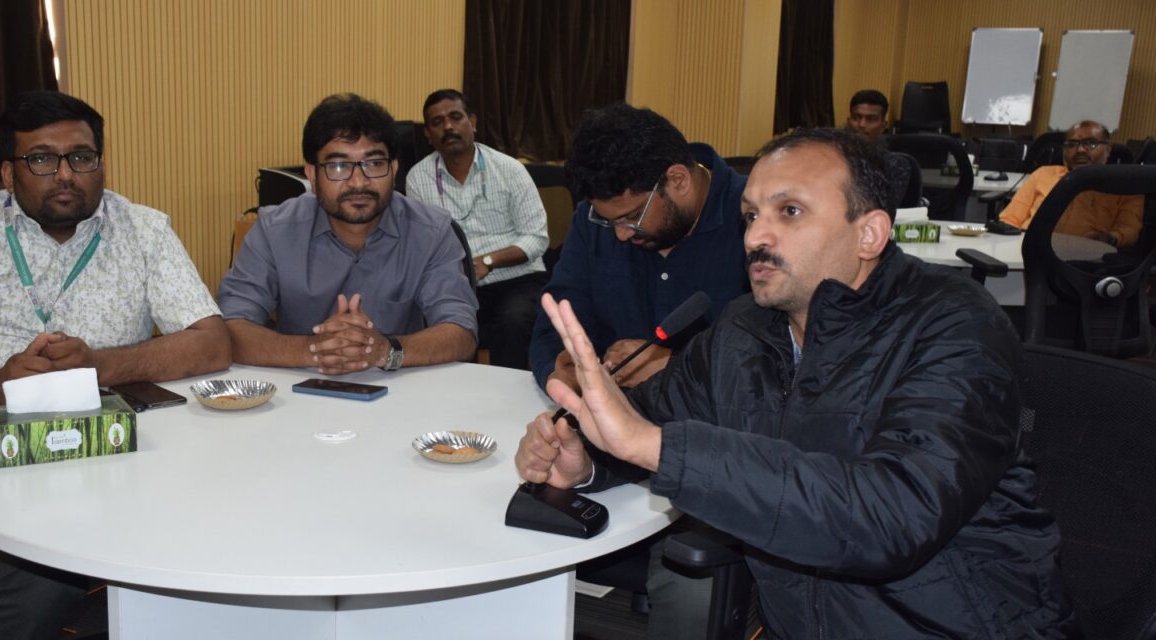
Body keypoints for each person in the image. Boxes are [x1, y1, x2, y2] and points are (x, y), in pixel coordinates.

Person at [517, 128, 1076, 638]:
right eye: (750, 215)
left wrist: (651, 445)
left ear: (869, 233)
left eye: (790, 211)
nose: (756, 236)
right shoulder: (742, 330)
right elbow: (651, 421)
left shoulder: (955, 325)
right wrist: (585, 459)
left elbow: (892, 518)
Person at [0, 90, 232, 639]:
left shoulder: (144, 231)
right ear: (8, 173)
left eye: (80, 157)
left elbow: (212, 344)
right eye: (41, 159)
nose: (65, 174)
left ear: (101, 164)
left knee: (36, 599)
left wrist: (99, 366)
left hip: (82, 450)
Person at [218, 93, 477, 374]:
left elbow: (461, 332)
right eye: (338, 166)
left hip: (400, 384)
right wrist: (316, 350)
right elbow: (230, 327)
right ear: (312, 175)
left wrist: (384, 350)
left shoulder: (431, 231)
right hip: (298, 386)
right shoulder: (274, 230)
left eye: (374, 164)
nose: (358, 182)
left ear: (393, 169)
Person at [528, 102, 748, 393]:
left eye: (632, 217)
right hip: (609, 409)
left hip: (720, 415)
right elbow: (557, 317)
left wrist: (679, 368)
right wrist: (561, 365)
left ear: (678, 180)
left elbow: (782, 361)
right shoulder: (594, 220)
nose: (620, 234)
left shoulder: (757, 221)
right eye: (609, 221)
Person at [405, 89, 549, 370]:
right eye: (437, 122)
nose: (448, 127)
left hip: (516, 278)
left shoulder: (509, 169)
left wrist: (488, 261)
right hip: (456, 281)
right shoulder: (418, 178)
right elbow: (421, 244)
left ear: (472, 122)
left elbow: (536, 237)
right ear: (428, 134)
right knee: (447, 327)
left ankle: (507, 394)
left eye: (455, 117)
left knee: (514, 321)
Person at [999, 119, 1142, 247]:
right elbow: (1010, 219)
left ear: (1108, 149)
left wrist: (1109, 238)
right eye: (1072, 144)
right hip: (1027, 249)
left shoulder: (1124, 186)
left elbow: (1129, 230)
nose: (1080, 150)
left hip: (1084, 257)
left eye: (1090, 143)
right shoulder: (1043, 174)